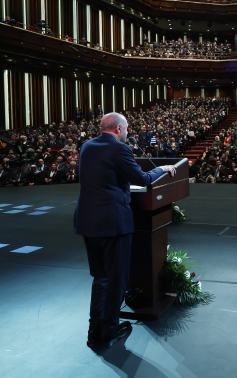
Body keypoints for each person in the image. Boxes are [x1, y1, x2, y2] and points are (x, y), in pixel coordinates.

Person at [74, 112, 176, 350]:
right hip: (113, 224)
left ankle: (94, 333)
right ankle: (108, 332)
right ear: (118, 129)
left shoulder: (86, 147)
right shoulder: (121, 149)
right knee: (117, 280)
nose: (129, 132)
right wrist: (163, 168)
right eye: (128, 128)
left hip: (88, 222)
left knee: (100, 278)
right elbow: (142, 178)